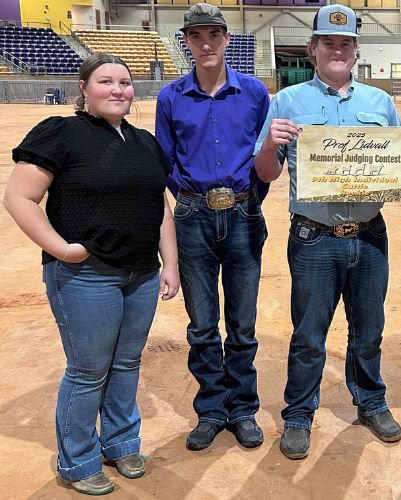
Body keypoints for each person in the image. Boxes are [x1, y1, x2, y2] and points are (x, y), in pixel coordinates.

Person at [253, 4, 401, 460]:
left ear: (356, 51)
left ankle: (370, 401)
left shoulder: (380, 102)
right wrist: (273, 144)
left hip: (369, 234)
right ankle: (299, 412)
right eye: (328, 43)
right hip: (314, 236)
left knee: (369, 328)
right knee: (309, 334)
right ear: (313, 48)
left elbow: (395, 172)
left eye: (345, 43)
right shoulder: (286, 102)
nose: (337, 50)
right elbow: (266, 173)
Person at [3, 53, 179, 496]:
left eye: (124, 82)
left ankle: (121, 443)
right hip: (86, 277)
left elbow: (159, 207)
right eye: (105, 81)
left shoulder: (144, 142)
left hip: (140, 274)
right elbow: (19, 198)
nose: (117, 90)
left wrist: (170, 263)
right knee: (88, 371)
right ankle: (78, 460)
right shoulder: (61, 133)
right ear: (84, 88)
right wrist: (61, 249)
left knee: (126, 363)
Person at [155, 3, 270, 451]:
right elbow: (164, 160)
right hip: (192, 215)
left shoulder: (256, 93)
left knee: (242, 323)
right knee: (202, 324)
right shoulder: (170, 98)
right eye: (196, 35)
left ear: (226, 39)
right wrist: (187, 199)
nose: (205, 43)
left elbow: (266, 156)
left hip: (243, 212)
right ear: (186, 40)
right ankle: (212, 409)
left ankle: (242, 409)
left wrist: (250, 199)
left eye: (213, 35)